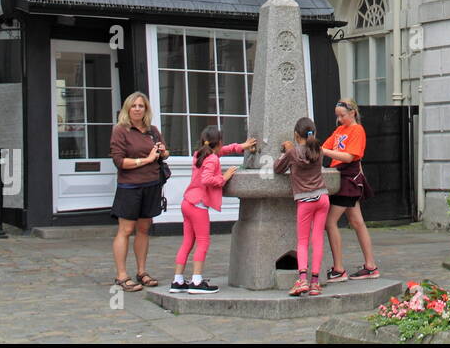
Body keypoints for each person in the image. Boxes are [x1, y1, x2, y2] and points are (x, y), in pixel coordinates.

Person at [170, 125, 257, 294]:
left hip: (187, 202)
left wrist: (241, 146)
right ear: (218, 142)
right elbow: (207, 179)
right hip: (198, 205)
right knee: (203, 242)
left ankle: (177, 280)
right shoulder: (212, 159)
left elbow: (222, 150)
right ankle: (196, 281)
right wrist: (224, 177)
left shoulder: (200, 154)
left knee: (187, 242)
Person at [110, 92, 170, 292]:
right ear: (128, 109)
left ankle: (142, 271)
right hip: (130, 187)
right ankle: (121, 275)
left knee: (144, 230)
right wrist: (145, 160)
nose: (137, 109)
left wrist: (162, 152)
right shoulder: (121, 131)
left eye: (141, 106)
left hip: (152, 185)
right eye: (134, 106)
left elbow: (165, 153)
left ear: (146, 109)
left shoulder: (152, 130)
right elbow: (119, 161)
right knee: (126, 230)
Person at [322, 99, 378, 282]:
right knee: (357, 222)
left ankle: (339, 269)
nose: (339, 119)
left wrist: (323, 152)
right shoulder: (340, 130)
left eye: (342, 115)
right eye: (337, 116)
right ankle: (370, 266)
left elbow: (348, 157)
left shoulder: (357, 130)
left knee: (330, 222)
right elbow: (325, 146)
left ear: (353, 113)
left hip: (348, 178)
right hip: (343, 177)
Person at [275, 117, 330, 297]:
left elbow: (277, 169)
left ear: (296, 135)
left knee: (303, 241)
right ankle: (315, 282)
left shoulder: (293, 153)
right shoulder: (319, 151)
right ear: (313, 133)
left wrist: (285, 151)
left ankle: (302, 280)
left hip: (305, 201)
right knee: (318, 239)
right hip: (322, 198)